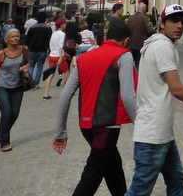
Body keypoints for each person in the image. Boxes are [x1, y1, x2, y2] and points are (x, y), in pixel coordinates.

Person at [124, 4, 183, 196]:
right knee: (140, 190)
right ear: (162, 23)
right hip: (153, 133)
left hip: (161, 131)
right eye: (174, 21)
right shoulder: (162, 47)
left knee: (176, 178)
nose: (180, 26)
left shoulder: (157, 45)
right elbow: (176, 88)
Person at [53, 20, 138, 196]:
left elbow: (64, 96)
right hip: (107, 126)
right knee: (91, 176)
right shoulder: (123, 55)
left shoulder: (84, 58)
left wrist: (60, 132)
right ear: (126, 40)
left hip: (86, 127)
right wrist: (142, 124)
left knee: (113, 166)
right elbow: (129, 95)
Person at [0, 28, 30, 152]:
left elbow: (28, 62)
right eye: (13, 37)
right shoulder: (1, 54)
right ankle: (4, 141)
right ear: (7, 39)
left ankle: (3, 132)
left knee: (15, 114)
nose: (16, 38)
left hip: (18, 87)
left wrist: (25, 67)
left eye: (17, 36)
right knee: (7, 113)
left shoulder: (24, 49)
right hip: (2, 87)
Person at [126, 0, 155, 68]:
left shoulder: (130, 18)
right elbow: (150, 31)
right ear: (144, 10)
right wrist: (154, 30)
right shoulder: (144, 18)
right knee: (139, 65)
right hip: (140, 46)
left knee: (133, 64)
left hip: (131, 45)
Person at [25, 16, 54, 87]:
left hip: (33, 49)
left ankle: (29, 80)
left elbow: (28, 39)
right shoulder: (48, 28)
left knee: (31, 65)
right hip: (43, 49)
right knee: (40, 66)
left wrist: (27, 47)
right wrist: (50, 50)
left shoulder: (32, 27)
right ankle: (36, 82)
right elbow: (50, 39)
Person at [43, 20, 68, 99]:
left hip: (52, 55)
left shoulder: (53, 33)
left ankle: (46, 93)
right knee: (66, 71)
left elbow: (51, 44)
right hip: (59, 56)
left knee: (50, 74)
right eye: (64, 23)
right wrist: (61, 57)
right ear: (61, 25)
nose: (65, 25)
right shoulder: (62, 34)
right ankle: (66, 91)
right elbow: (60, 46)